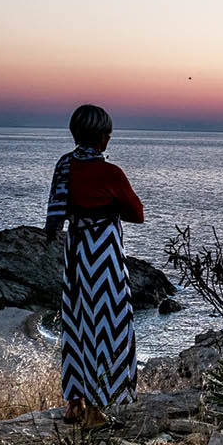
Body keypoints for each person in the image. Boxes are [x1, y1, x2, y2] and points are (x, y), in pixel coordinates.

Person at [45, 104, 144, 428]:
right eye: (108, 135)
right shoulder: (110, 172)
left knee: (76, 323)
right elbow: (137, 213)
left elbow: (56, 213)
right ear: (102, 137)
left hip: (76, 253)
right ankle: (96, 411)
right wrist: (110, 205)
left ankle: (75, 403)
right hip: (104, 256)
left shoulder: (65, 166)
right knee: (109, 328)